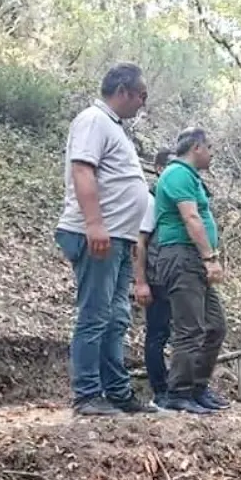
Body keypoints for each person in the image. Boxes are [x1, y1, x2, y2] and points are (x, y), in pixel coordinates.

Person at [55, 64, 156, 416]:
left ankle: (116, 392)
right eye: (142, 95)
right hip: (98, 234)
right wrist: (95, 224)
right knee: (95, 316)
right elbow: (83, 169)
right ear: (124, 90)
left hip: (119, 237)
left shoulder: (115, 128)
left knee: (116, 319)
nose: (144, 102)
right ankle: (86, 395)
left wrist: (127, 234)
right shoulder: (93, 120)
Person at [153, 127, 229, 414]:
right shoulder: (177, 174)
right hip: (182, 257)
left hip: (194, 259)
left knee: (215, 325)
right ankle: (179, 392)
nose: (211, 153)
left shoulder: (191, 178)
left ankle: (198, 387)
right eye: (209, 147)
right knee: (190, 328)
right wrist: (210, 258)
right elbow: (191, 217)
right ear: (196, 147)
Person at [133, 148, 173, 410]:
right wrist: (141, 281)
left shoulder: (174, 200)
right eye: (169, 166)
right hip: (157, 277)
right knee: (157, 334)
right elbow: (140, 241)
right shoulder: (151, 200)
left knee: (174, 333)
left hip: (174, 277)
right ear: (158, 169)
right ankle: (159, 391)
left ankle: (176, 387)